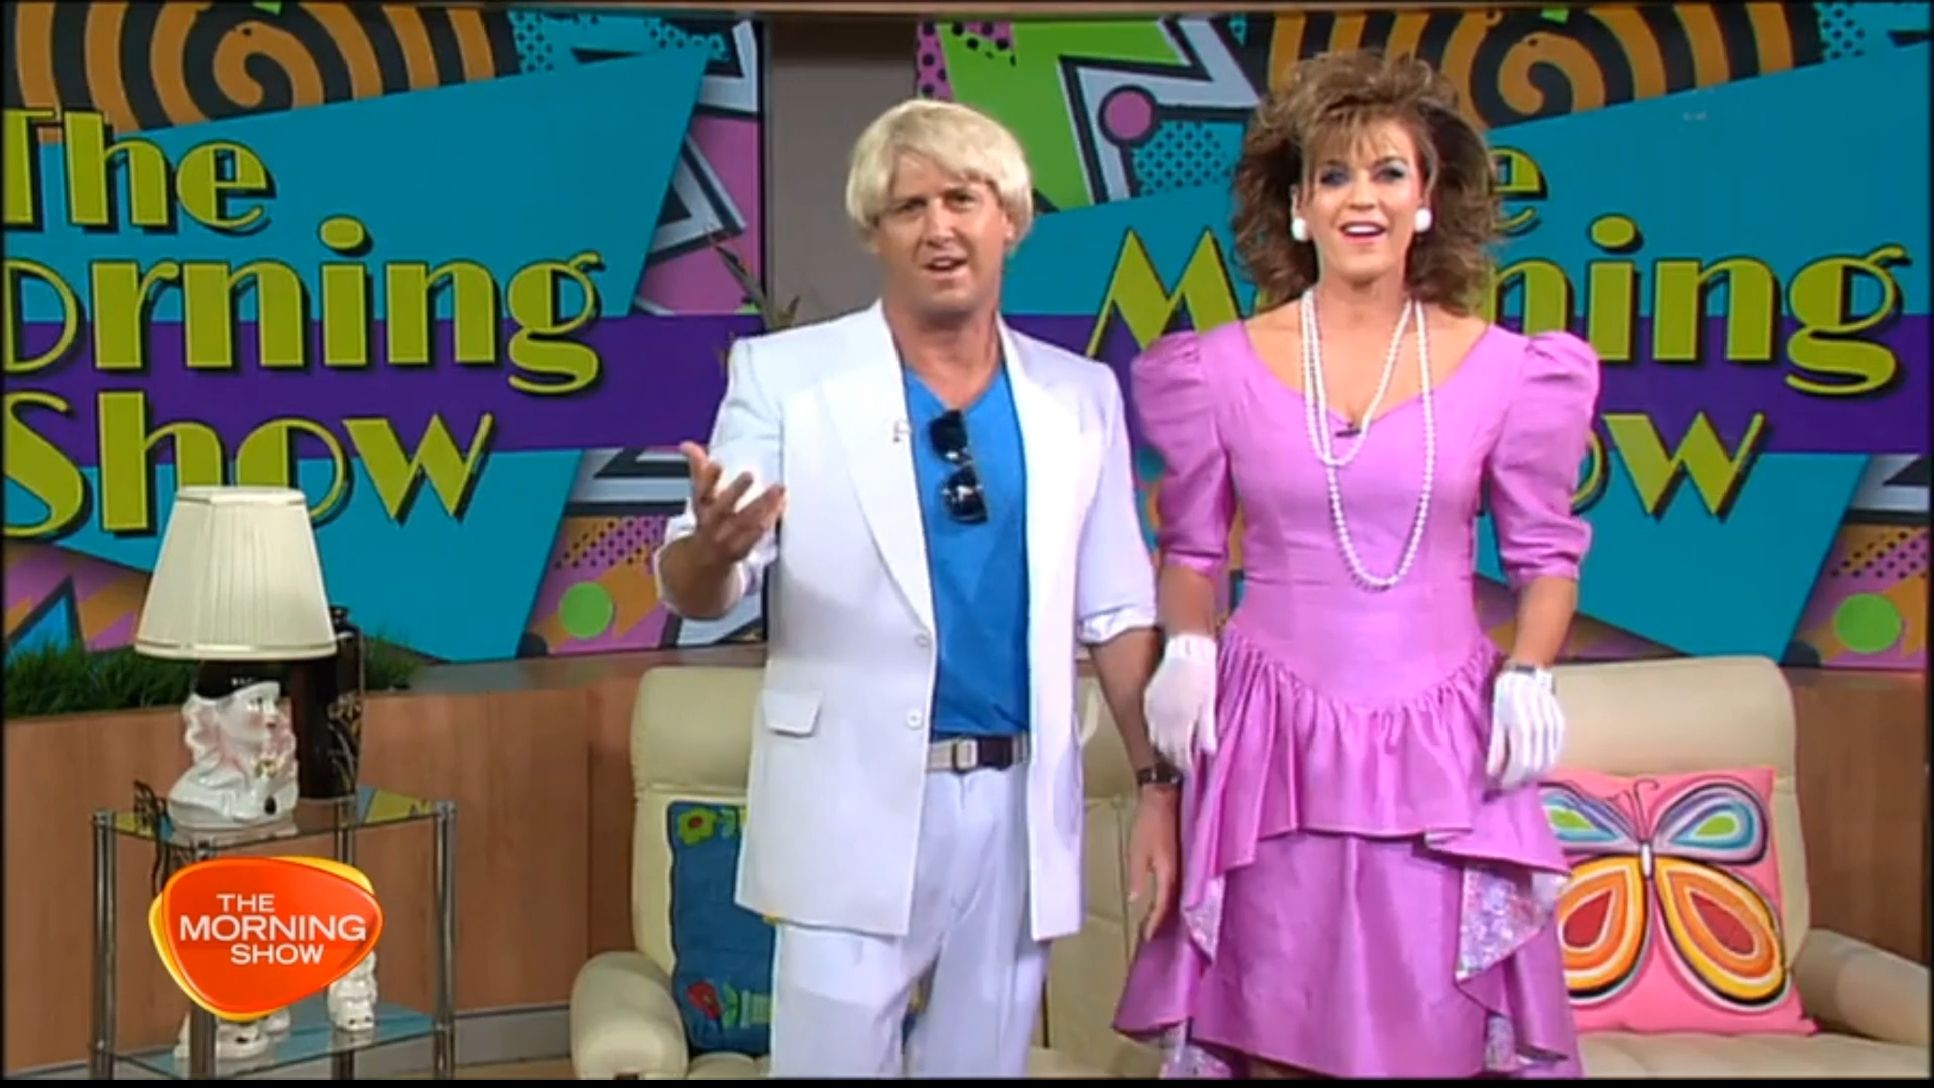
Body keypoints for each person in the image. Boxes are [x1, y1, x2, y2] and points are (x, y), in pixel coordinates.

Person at [654, 98, 1179, 1079]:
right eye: (909, 206)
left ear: (1008, 220)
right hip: (848, 800)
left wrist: (1158, 785)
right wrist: (715, 549)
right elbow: (701, 581)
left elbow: (1116, 610)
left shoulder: (1079, 396)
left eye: (963, 199)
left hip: (1018, 808)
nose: (939, 226)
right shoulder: (787, 378)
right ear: (875, 232)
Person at [1111, 51, 1600, 1079]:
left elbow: (1545, 555)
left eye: (1387, 172)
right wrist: (1187, 647)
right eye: (1332, 175)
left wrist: (1529, 669)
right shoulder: (1212, 367)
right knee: (1274, 1025)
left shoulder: (1514, 370)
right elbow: (1191, 550)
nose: (1360, 197)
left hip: (1442, 746)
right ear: (1297, 207)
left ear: (1427, 199)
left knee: (1436, 1036)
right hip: (1270, 740)